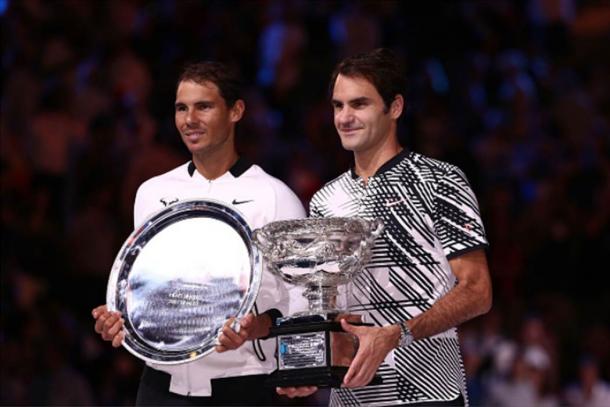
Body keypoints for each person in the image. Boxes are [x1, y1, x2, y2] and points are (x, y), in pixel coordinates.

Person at [279, 48, 492, 406]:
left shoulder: (440, 180)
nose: (345, 117)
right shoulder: (324, 200)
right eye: (338, 106)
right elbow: (332, 305)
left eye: (359, 104)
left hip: (428, 390)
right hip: (354, 396)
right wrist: (310, 367)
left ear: (394, 108)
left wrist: (399, 334)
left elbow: (477, 291)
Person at [91, 61, 305, 405]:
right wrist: (121, 319)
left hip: (243, 386)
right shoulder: (151, 192)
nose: (189, 119)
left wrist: (259, 328)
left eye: (203, 106)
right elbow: (149, 289)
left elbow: (301, 303)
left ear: (235, 111)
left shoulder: (276, 196)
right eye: (181, 108)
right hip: (160, 386)